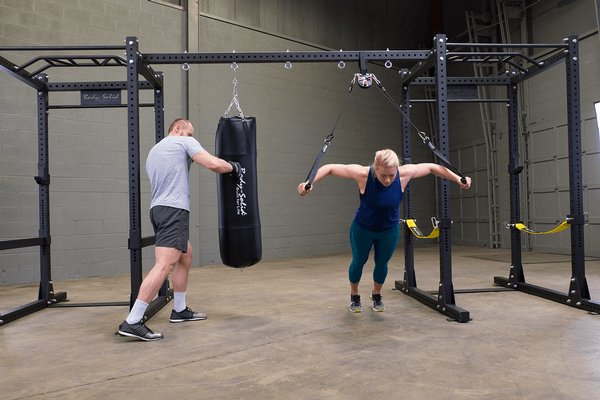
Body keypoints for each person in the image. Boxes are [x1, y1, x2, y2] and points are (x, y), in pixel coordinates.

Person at [297, 149, 471, 313]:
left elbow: (432, 167)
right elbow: (330, 168)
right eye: (383, 175)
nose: (388, 180)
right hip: (363, 229)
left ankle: (376, 294)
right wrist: (309, 183)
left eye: (391, 175)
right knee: (359, 261)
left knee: (382, 263)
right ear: (375, 167)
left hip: (389, 230)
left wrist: (457, 178)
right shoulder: (363, 174)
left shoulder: (403, 174)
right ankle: (355, 295)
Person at [117, 118, 241, 341]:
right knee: (165, 265)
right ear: (178, 129)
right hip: (174, 210)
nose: (192, 137)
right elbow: (213, 164)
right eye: (190, 133)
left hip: (158, 209)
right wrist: (233, 167)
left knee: (185, 255)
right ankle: (133, 321)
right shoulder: (182, 143)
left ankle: (180, 309)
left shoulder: (154, 151)